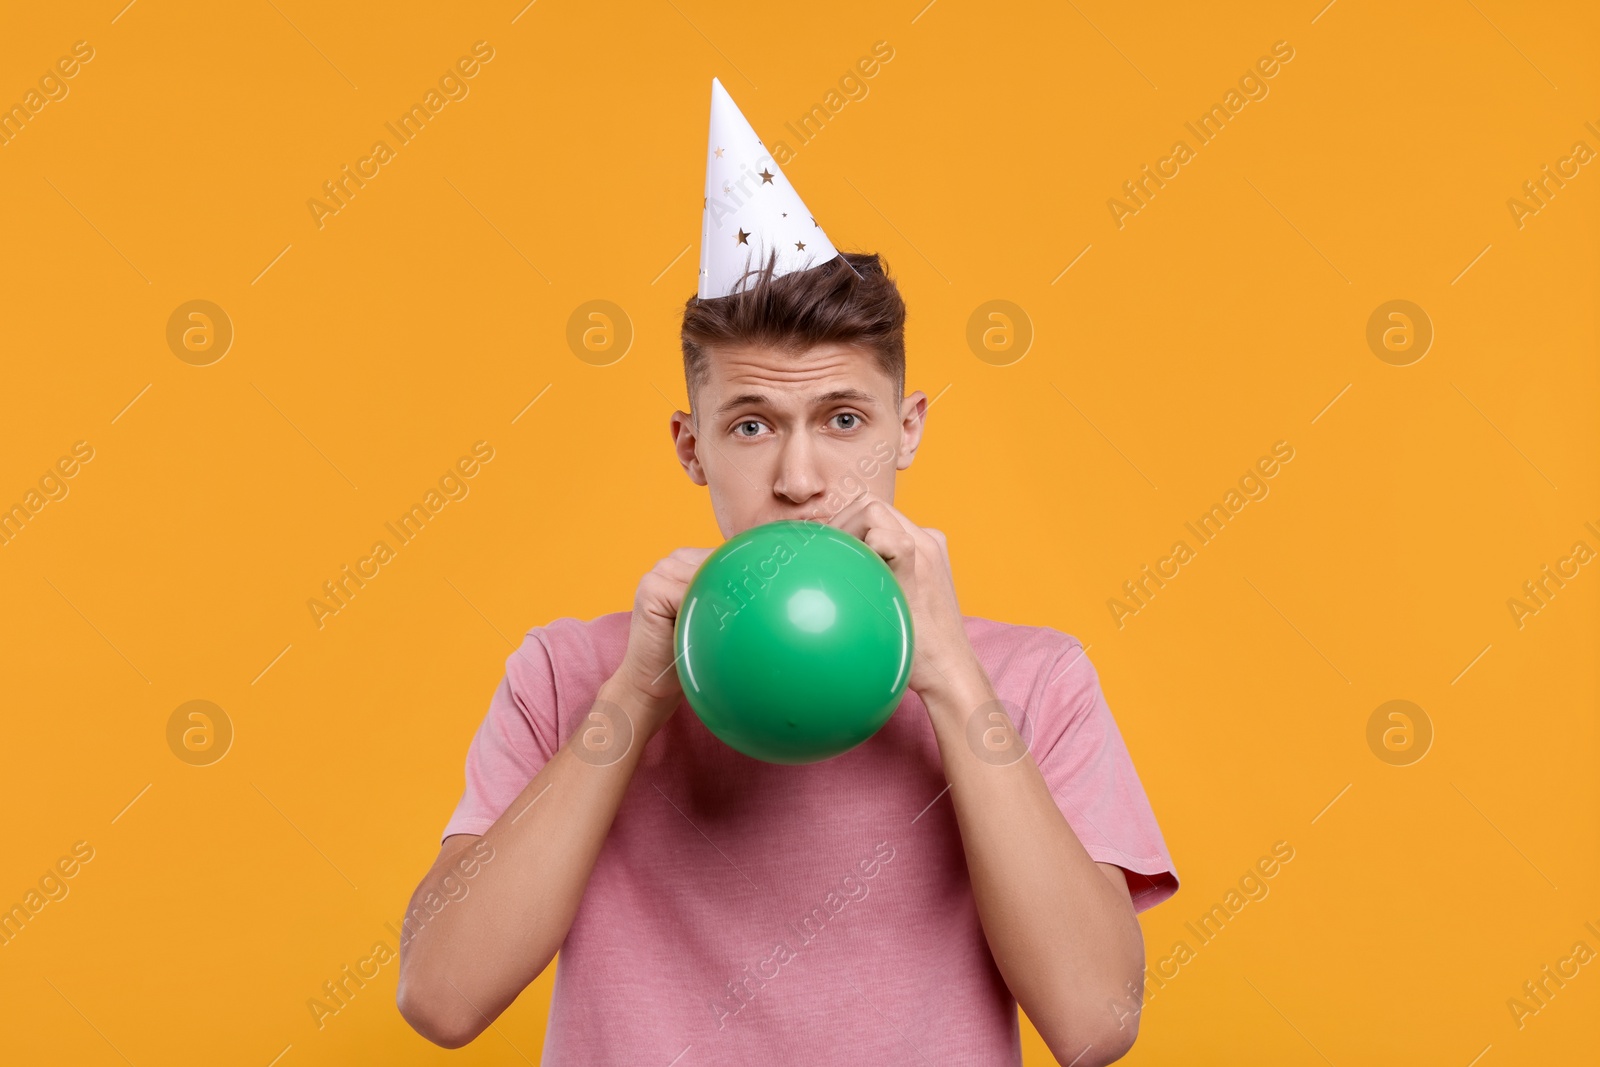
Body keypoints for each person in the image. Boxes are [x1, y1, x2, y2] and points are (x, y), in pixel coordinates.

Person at [396, 79, 1179, 1066]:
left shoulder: (1031, 683)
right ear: (691, 447)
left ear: (909, 430)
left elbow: (1095, 1020)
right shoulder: (569, 673)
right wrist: (635, 693)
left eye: (844, 421)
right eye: (753, 424)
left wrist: (947, 674)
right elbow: (440, 994)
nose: (801, 478)